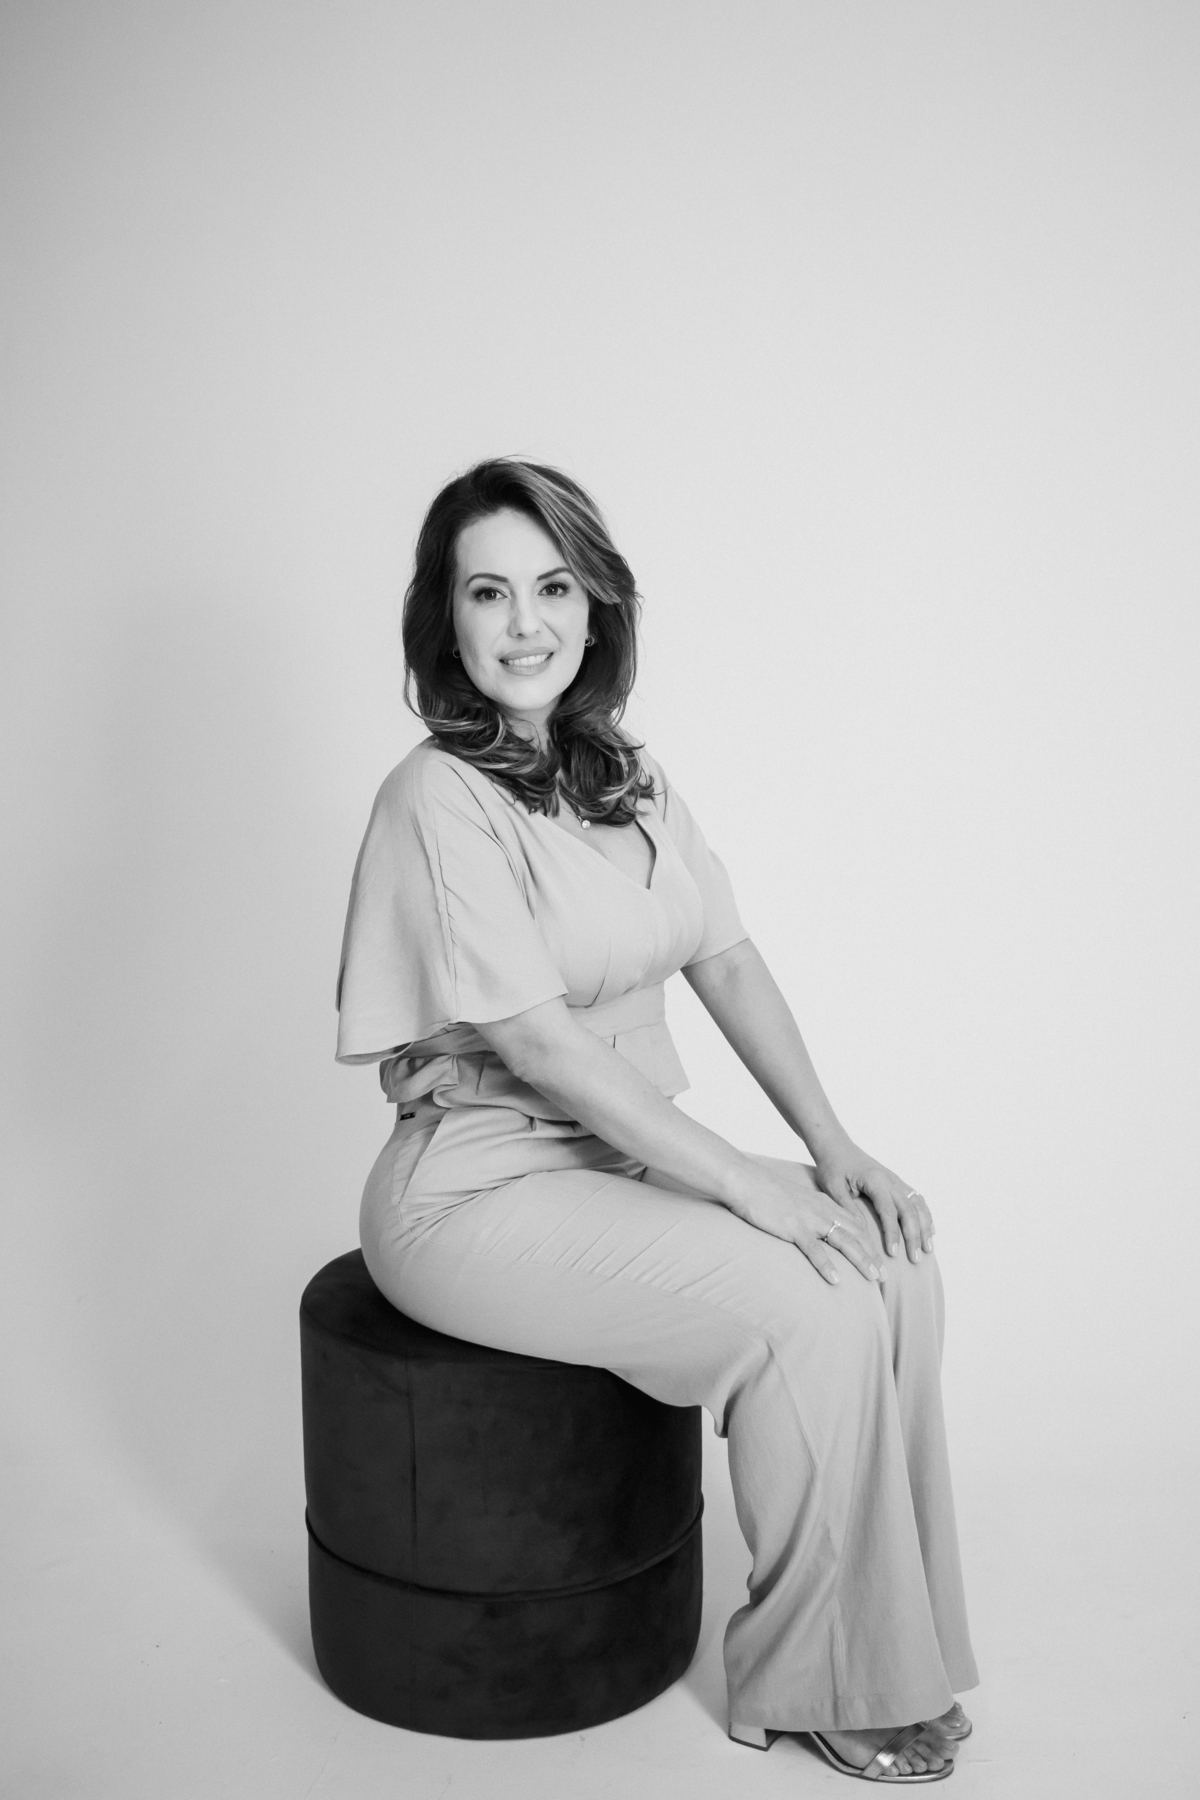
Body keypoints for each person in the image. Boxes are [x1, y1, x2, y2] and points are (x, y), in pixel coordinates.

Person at [336, 459, 978, 1783]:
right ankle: (819, 1682)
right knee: (801, 1304)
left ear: (597, 604)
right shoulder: (435, 795)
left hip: (613, 1159)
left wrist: (834, 1150)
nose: (526, 623)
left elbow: (726, 958)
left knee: (887, 1259)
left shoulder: (623, 774)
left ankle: (893, 1647)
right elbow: (538, 1045)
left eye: (554, 587)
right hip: (472, 1190)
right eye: (488, 592)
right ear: (445, 619)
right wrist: (747, 1183)